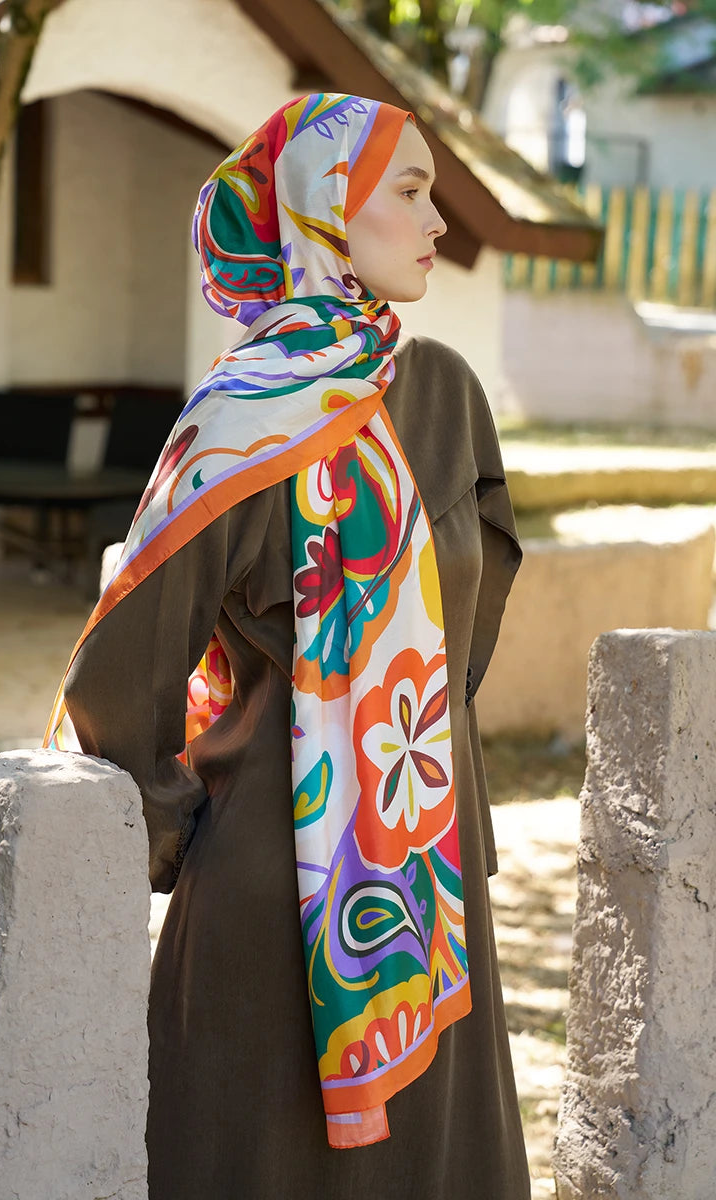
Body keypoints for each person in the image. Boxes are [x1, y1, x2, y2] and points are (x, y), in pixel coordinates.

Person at [45, 92, 528, 1198]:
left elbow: (472, 609)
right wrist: (183, 835)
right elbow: (122, 665)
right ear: (322, 210)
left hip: (428, 874)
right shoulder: (236, 422)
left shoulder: (444, 396)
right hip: (274, 892)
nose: (437, 219)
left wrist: (419, 757)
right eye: (406, 190)